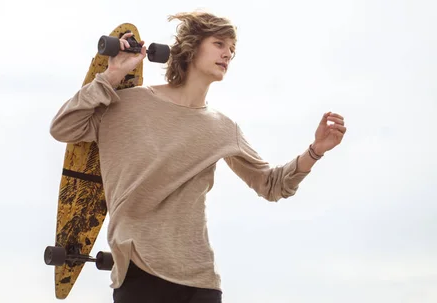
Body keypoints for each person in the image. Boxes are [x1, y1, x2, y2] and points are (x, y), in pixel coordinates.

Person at [49, 10, 346, 303]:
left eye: (232, 49)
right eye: (219, 44)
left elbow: (272, 185)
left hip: (200, 279)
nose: (227, 54)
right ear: (191, 48)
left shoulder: (223, 128)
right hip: (139, 272)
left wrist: (315, 150)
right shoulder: (124, 105)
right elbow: (64, 127)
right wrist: (112, 75)